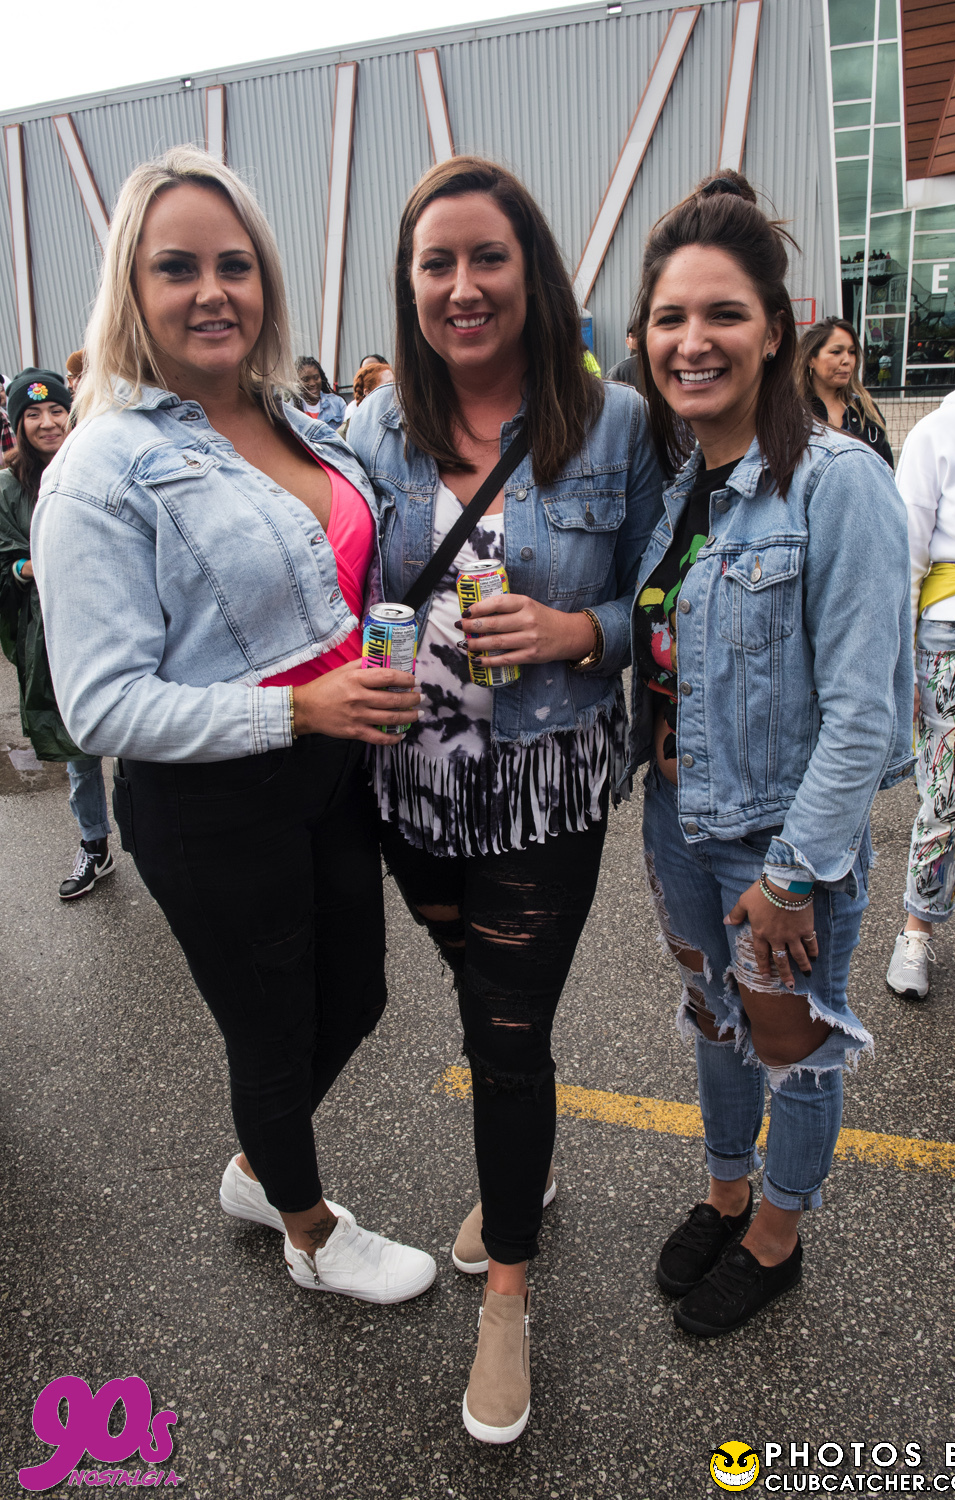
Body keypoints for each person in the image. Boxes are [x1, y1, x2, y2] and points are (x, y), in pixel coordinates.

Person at [32, 147, 435, 1307]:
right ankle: (306, 1229)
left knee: (355, 995)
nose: (213, 290)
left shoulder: (291, 419)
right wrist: (300, 704)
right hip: (210, 802)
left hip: (327, 770)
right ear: (131, 287)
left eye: (235, 264)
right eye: (177, 268)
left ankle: (259, 1167)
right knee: (270, 1030)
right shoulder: (102, 466)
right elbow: (99, 703)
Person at [348, 155, 664, 1442]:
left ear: (532, 273)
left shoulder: (613, 420)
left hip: (544, 779)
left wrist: (576, 631)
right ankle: (520, 1161)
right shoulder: (375, 426)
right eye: (437, 263)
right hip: (408, 780)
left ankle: (507, 1299)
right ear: (409, 284)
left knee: (506, 1030)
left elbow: (658, 598)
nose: (463, 285)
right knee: (475, 996)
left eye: (488, 257)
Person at [629, 171, 912, 1338]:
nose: (691, 341)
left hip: (776, 844)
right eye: (668, 317)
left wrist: (792, 874)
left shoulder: (837, 485)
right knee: (712, 1020)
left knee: (790, 1046)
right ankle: (723, 1191)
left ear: (775, 329)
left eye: (721, 314)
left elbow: (863, 713)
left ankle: (776, 1234)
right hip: (675, 823)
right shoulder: (676, 486)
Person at [885, 279, 955, 1002]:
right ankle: (917, 929)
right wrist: (897, 663)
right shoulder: (942, 428)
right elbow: (904, 552)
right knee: (951, 790)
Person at [0, 368, 116, 899]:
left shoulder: (97, 463)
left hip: (114, 619)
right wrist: (31, 565)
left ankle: (158, 842)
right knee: (79, 746)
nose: (47, 422)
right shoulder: (8, 487)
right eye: (33, 414)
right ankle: (95, 844)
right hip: (54, 634)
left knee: (147, 737)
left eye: (56, 410)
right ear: (17, 423)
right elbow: (4, 562)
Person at [799, 315, 894, 467]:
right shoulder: (793, 411)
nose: (847, 360)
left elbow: (885, 470)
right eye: (836, 352)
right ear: (811, 359)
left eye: (852, 352)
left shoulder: (865, 410)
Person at [293, 354, 346, 427]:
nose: (312, 383)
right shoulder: (292, 408)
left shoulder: (337, 403)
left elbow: (348, 430)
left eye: (316, 378)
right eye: (306, 379)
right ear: (297, 382)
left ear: (321, 377)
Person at [340, 359, 394, 429]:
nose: (394, 388)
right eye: (388, 384)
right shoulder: (354, 416)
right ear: (368, 392)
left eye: (395, 383)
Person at [606, 324, 641, 389]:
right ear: (627, 342)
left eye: (641, 335)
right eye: (634, 336)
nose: (637, 339)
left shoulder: (619, 371)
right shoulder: (619, 372)